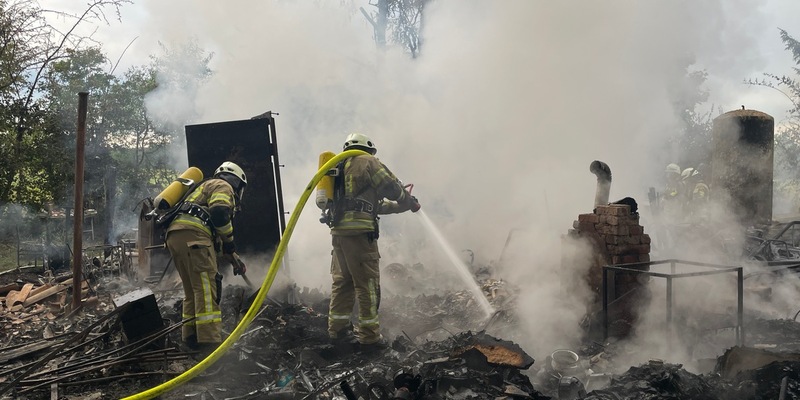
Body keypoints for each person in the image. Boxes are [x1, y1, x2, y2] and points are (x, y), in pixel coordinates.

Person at [326, 133, 420, 350]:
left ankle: (338, 332)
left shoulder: (339, 166)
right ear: (369, 149)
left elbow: (371, 207)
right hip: (360, 236)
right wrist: (409, 201)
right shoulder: (369, 162)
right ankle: (369, 338)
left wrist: (401, 207)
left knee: (343, 283)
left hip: (339, 234)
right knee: (367, 285)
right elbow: (392, 187)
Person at [165, 161, 247, 350]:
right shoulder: (222, 185)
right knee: (206, 290)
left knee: (192, 291)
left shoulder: (201, 188)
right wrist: (230, 240)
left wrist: (233, 256)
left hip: (176, 236)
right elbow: (219, 214)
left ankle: (191, 339)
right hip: (194, 237)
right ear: (237, 182)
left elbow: (211, 232)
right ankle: (209, 344)